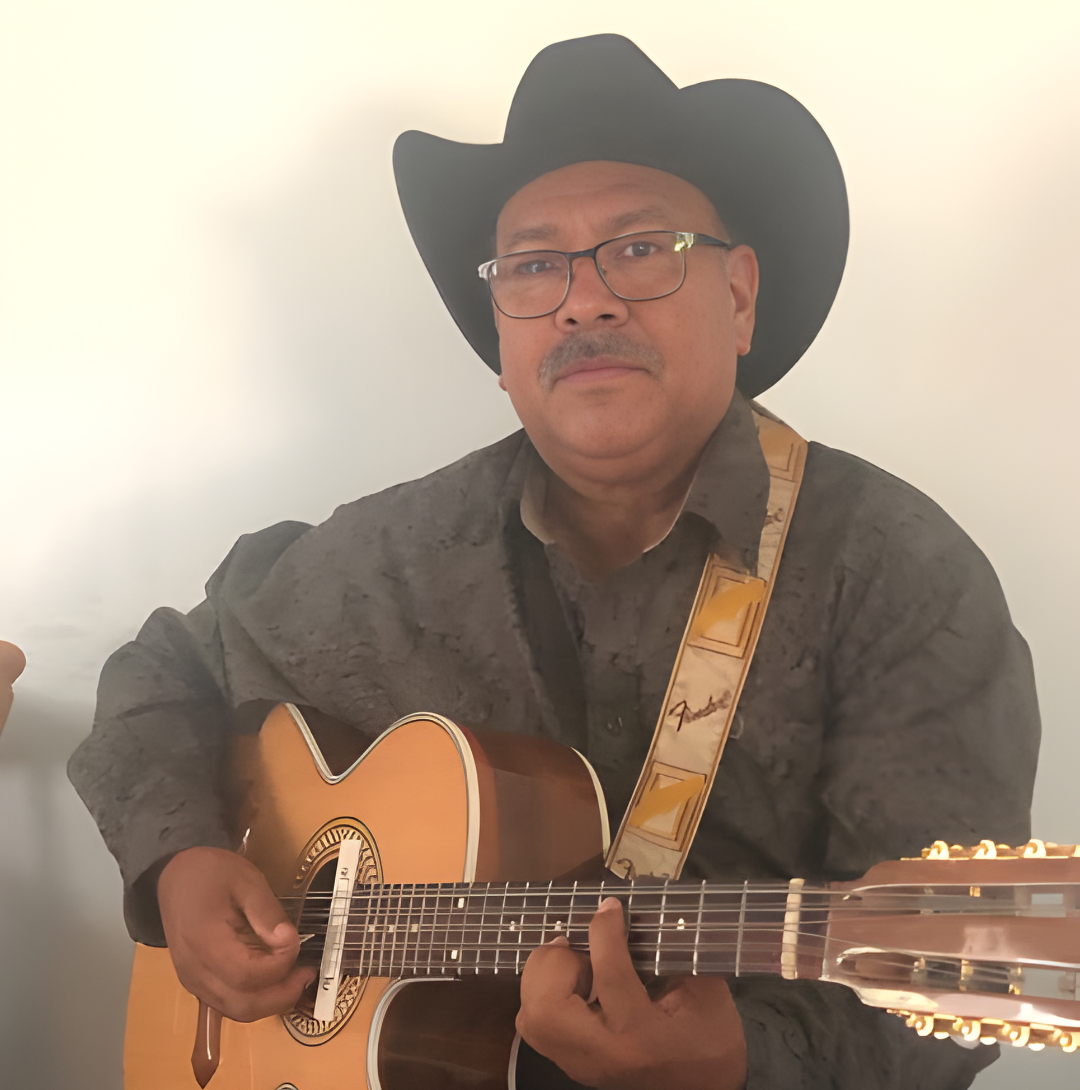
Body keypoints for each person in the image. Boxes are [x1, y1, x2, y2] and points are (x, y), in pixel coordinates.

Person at [68, 34, 1039, 1090]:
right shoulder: (389, 556)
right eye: (534, 266)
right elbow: (167, 668)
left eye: (641, 248)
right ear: (502, 337)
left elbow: (964, 990)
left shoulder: (900, 574)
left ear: (742, 295)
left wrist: (748, 1062)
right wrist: (178, 859)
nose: (584, 301)